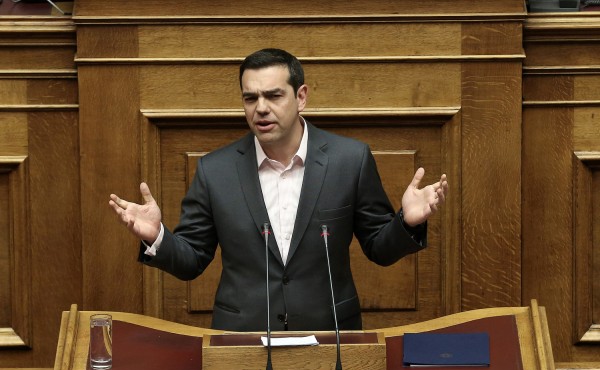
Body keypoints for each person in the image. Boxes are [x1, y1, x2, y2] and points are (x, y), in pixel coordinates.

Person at [109, 48, 448, 332]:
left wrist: (407, 222)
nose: (261, 108)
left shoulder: (350, 160)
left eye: (273, 95)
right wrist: (157, 237)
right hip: (241, 338)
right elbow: (192, 260)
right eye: (250, 98)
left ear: (301, 97)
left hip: (330, 337)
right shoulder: (215, 170)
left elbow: (379, 248)